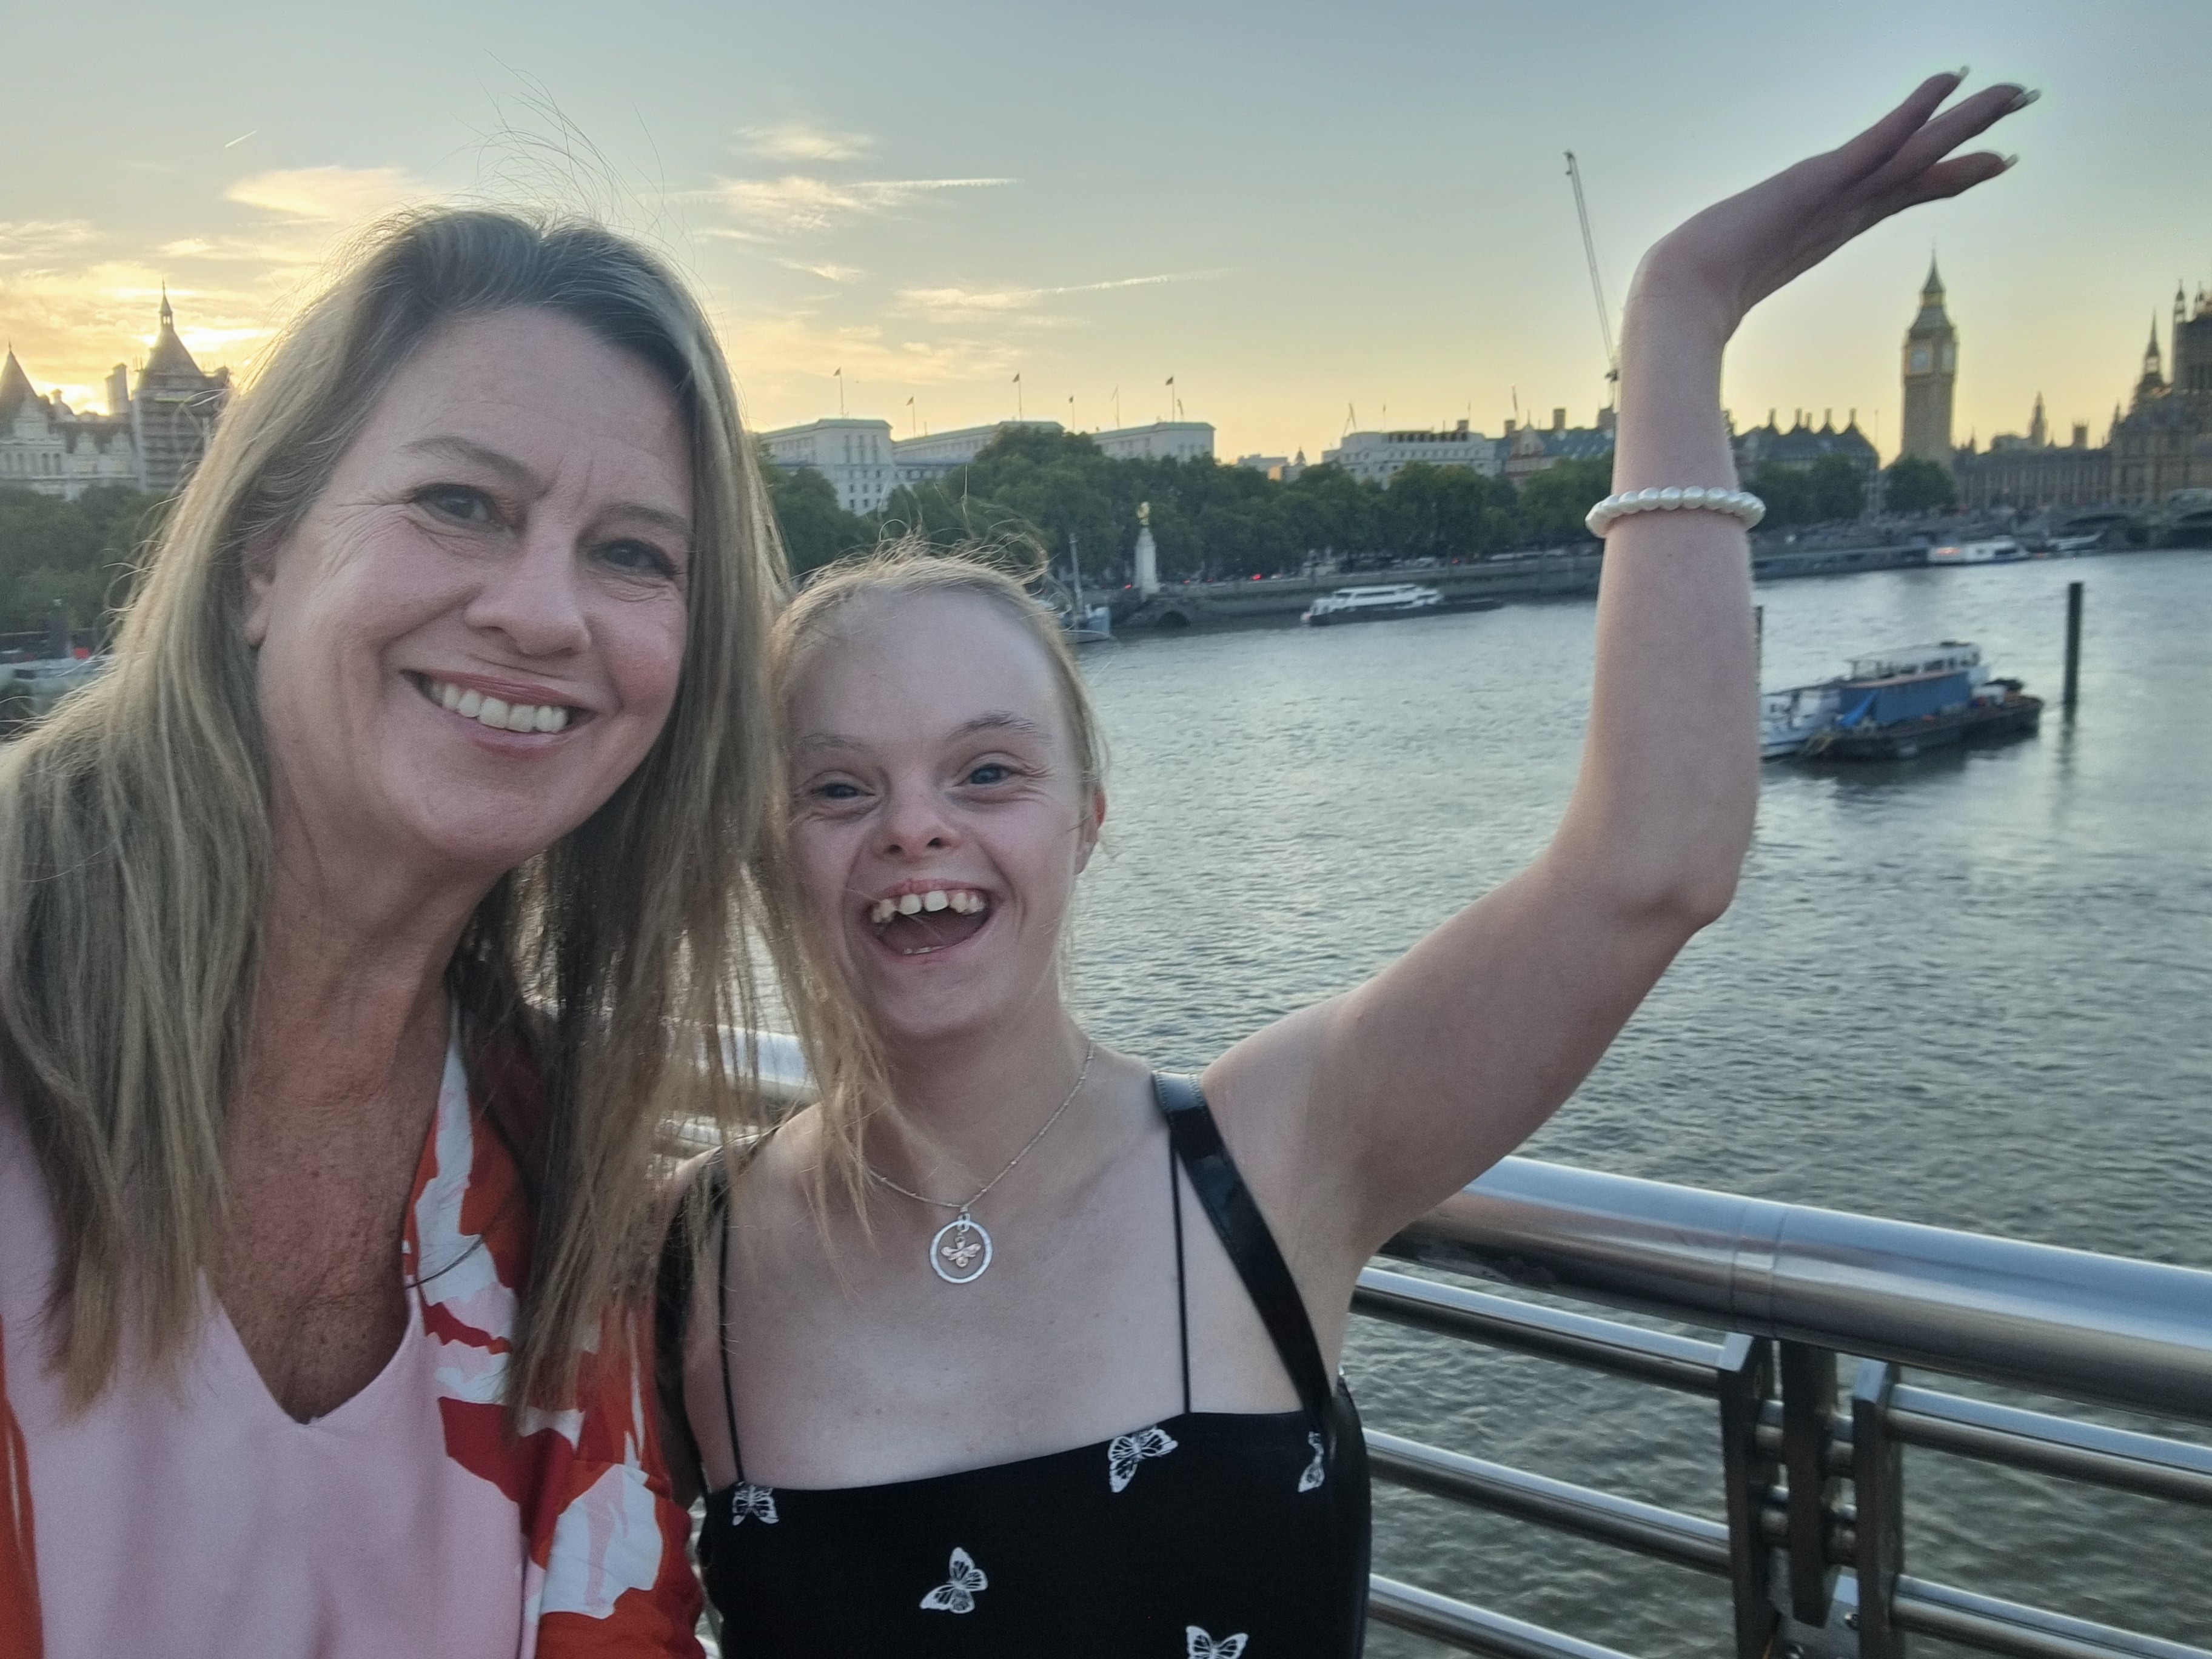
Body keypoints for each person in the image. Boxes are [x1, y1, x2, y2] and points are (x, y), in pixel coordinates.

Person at [661, 71, 2033, 1657]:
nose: (917, 827)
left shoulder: (1277, 1149)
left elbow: (1649, 869)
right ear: (759, 850)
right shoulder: (677, 1262)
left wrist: (1679, 317)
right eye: (840, 787)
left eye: (987, 771)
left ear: (1087, 818)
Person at [0, 208, 783, 1658]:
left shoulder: (556, 1169)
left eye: (631, 553)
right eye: (460, 504)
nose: (542, 614)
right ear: (262, 558)